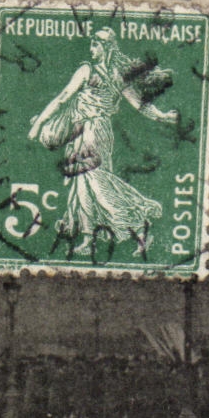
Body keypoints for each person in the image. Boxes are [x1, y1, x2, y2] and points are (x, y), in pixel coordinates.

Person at [27, 28, 177, 256]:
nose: (91, 49)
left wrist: (38, 124)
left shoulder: (89, 71)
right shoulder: (118, 76)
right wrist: (162, 116)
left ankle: (139, 226)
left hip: (91, 132)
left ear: (106, 47)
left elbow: (62, 98)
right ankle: (89, 238)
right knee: (83, 186)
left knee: (97, 184)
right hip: (89, 133)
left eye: (95, 45)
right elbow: (141, 105)